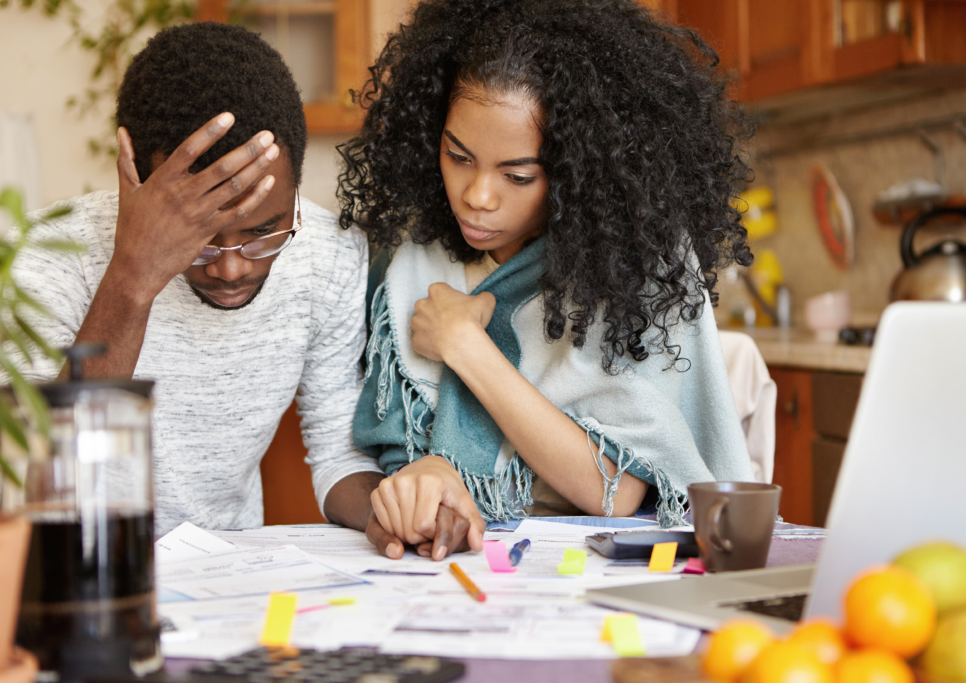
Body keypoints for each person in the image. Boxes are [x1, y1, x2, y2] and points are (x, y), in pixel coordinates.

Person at [340, 0, 757, 560]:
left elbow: (613, 489)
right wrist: (421, 487)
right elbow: (388, 458)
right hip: (464, 567)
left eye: (517, 175)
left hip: (600, 569)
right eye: (457, 156)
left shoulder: (634, 266)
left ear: (580, 171)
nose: (477, 196)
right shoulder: (415, 263)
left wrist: (466, 346)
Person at [12, 22, 383, 536]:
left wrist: (394, 516)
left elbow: (338, 452)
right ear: (134, 180)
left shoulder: (331, 254)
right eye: (199, 237)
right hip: (76, 582)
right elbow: (35, 481)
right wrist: (132, 276)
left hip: (227, 581)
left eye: (264, 231)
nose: (232, 268)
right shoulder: (49, 253)